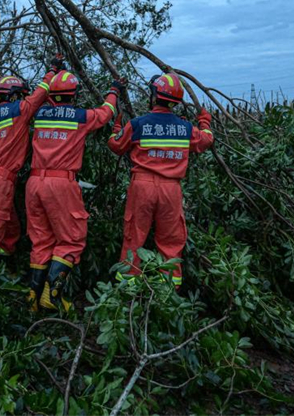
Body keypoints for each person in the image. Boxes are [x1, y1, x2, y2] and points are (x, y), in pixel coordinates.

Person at [26, 70, 125, 311]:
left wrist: (51, 74)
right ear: (75, 94)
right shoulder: (80, 117)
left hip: (34, 184)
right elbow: (106, 113)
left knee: (41, 241)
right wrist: (114, 90)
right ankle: (53, 297)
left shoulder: (38, 114)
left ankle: (33, 301)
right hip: (61, 184)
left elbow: (49, 101)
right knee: (71, 240)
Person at [0, 58, 65, 274]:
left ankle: (2, 270)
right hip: (0, 180)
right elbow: (41, 93)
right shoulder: (19, 111)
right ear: (15, 95)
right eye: (21, 95)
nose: (24, 98)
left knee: (10, 230)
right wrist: (53, 70)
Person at [107, 72, 213, 289]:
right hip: (171, 191)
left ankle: (127, 296)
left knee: (133, 239)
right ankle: (167, 296)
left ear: (154, 96)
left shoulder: (138, 124)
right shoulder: (184, 128)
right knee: (171, 242)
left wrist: (116, 129)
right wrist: (204, 122)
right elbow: (205, 141)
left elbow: (116, 146)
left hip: (142, 187)